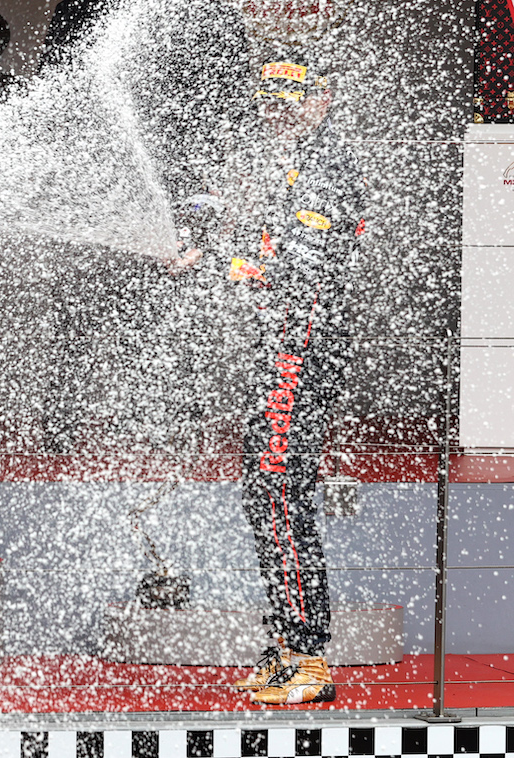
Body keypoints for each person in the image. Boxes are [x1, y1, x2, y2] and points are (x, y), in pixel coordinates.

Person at [227, 58, 366, 704]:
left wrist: (245, 271)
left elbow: (302, 271)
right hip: (287, 348)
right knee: (267, 488)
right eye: (268, 103)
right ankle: (288, 647)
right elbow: (275, 253)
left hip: (301, 352)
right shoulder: (298, 162)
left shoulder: (328, 162)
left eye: (290, 100)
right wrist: (226, 255)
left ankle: (307, 656)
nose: (278, 112)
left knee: (277, 488)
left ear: (322, 97)